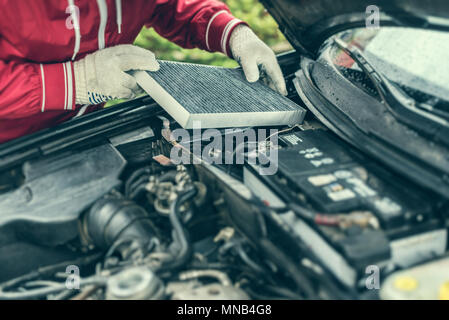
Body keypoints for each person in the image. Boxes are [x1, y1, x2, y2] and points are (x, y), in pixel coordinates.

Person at [0, 0, 287, 143]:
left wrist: (231, 32)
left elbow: (168, 5)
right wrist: (74, 81)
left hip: (85, 131)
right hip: (12, 144)